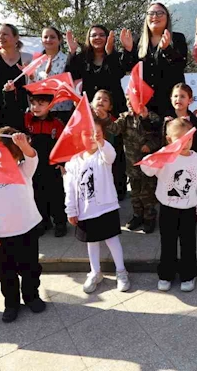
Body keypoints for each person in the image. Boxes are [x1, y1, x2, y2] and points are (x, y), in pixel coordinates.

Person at [0, 128, 46, 323]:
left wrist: (24, 145)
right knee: (6, 273)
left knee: (31, 268)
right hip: (1, 238)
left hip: (27, 232)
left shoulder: (23, 170)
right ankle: (11, 303)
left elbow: (32, 158)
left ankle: (32, 296)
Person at [64, 117, 131, 294]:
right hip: (85, 210)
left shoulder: (103, 154)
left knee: (112, 240)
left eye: (98, 134)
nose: (93, 137)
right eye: (88, 134)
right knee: (91, 242)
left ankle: (121, 271)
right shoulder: (74, 160)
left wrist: (103, 143)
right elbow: (70, 187)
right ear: (80, 136)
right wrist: (71, 209)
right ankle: (95, 272)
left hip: (106, 207)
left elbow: (111, 155)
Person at [142, 118, 197, 292]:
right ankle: (166, 274)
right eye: (180, 139)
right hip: (168, 208)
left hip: (188, 210)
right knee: (168, 243)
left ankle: (188, 275)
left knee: (188, 243)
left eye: (189, 139)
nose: (185, 144)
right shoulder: (166, 157)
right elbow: (147, 170)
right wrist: (158, 155)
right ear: (169, 139)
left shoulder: (196, 160)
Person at [2, 91, 67, 237]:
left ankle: (60, 222)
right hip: (32, 165)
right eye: (32, 103)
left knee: (55, 195)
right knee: (37, 195)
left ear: (50, 105)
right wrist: (10, 93)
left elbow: (64, 144)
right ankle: (43, 221)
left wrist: (62, 162)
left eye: (40, 104)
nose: (35, 107)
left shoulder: (57, 123)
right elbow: (11, 113)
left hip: (51, 166)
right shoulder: (26, 120)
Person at [97, 99, 162, 234]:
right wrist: (105, 118)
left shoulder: (152, 117)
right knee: (135, 193)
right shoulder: (124, 117)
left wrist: (150, 145)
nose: (129, 103)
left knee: (147, 193)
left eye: (133, 100)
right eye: (127, 100)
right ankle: (137, 216)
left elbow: (159, 136)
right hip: (132, 164)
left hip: (147, 165)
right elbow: (114, 130)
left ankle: (149, 218)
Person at [122, 3, 188, 117]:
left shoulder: (178, 38)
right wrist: (128, 50)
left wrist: (167, 49)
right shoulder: (137, 40)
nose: (155, 16)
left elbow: (180, 65)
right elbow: (127, 67)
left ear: (167, 17)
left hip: (170, 103)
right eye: (151, 13)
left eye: (160, 13)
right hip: (145, 105)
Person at [66, 25, 132, 116]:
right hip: (89, 110)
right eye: (94, 35)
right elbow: (70, 75)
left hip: (114, 110)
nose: (98, 37)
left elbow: (123, 70)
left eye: (102, 35)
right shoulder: (81, 58)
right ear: (88, 39)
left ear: (107, 37)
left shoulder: (117, 57)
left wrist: (110, 54)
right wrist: (72, 52)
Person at [90, 90, 127, 200]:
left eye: (105, 100)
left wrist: (105, 119)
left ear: (110, 107)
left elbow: (115, 132)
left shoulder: (112, 120)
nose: (101, 101)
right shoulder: (87, 117)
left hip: (108, 156)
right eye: (98, 98)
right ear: (91, 103)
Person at [33, 26, 73, 124]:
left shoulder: (67, 60)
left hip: (61, 110)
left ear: (59, 40)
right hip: (40, 111)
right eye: (45, 37)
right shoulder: (36, 61)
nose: (48, 40)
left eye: (52, 37)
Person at [161, 83, 197, 162]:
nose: (178, 99)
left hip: (189, 162)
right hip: (170, 161)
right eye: (175, 96)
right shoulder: (165, 119)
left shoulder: (195, 123)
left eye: (182, 96)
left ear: (190, 100)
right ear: (171, 99)